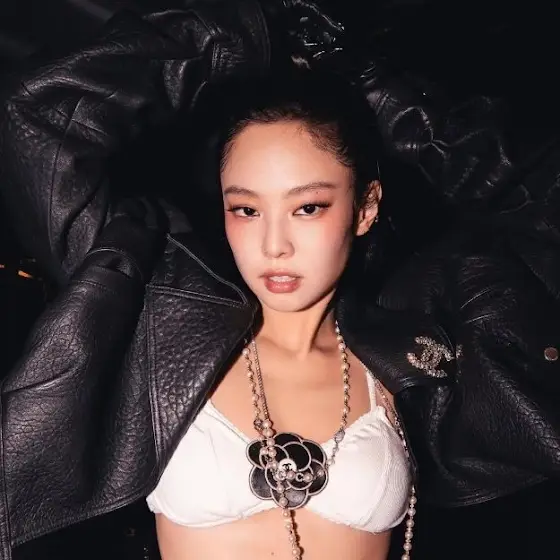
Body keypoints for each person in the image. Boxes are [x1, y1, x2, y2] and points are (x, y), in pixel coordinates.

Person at [0, 1, 558, 559]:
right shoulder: (157, 323)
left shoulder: (415, 349)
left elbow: (542, 208)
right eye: (246, 210)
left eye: (307, 207)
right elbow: (41, 118)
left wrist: (372, 88)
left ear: (365, 208)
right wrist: (248, 30)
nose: (274, 245)